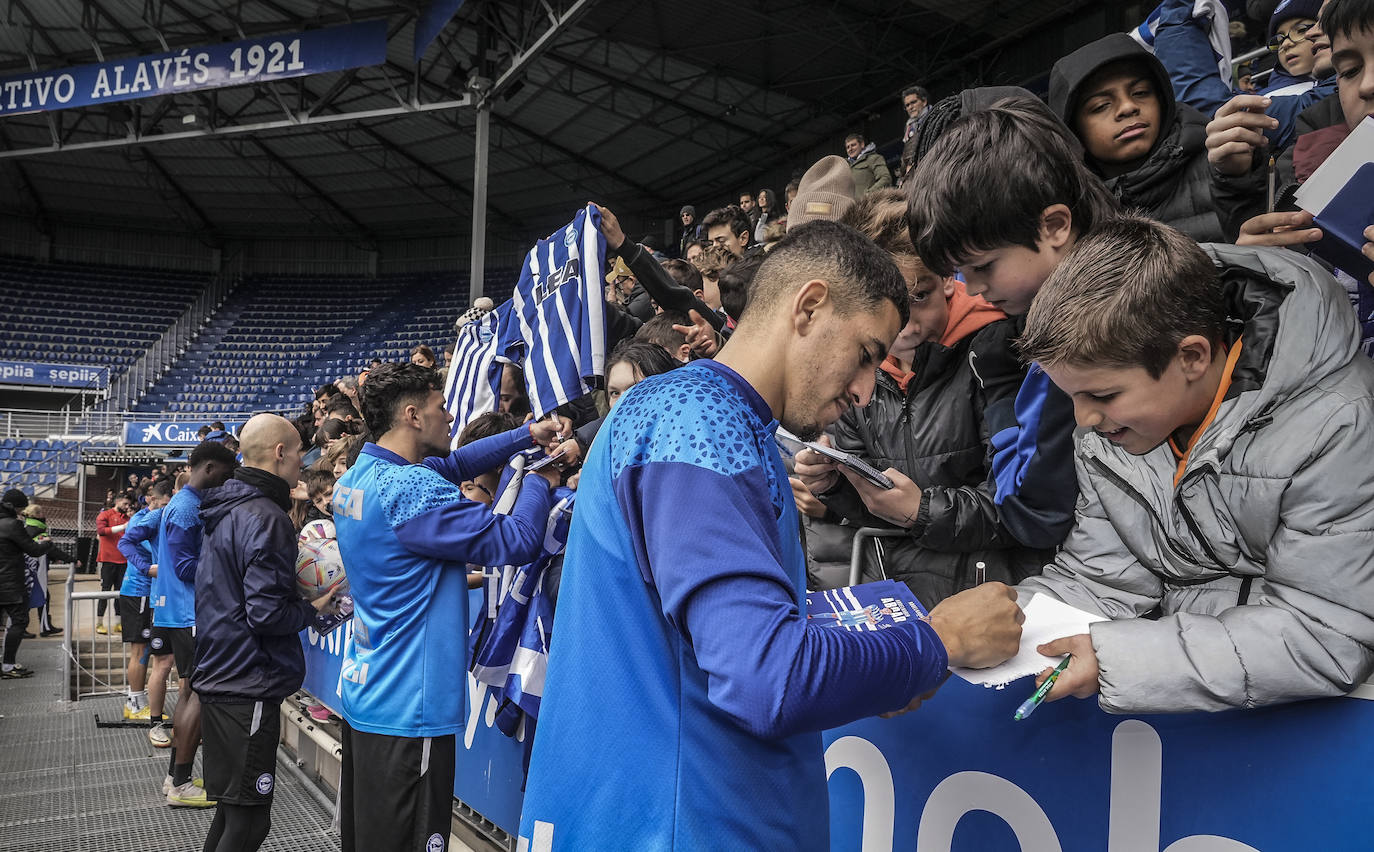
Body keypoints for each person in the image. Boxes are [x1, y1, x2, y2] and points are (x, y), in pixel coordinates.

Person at [517, 221, 1024, 849]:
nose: (867, 390)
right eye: (866, 354)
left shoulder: (717, 419)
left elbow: (718, 630)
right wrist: (938, 642)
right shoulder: (698, 421)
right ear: (808, 307)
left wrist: (879, 656)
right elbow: (767, 679)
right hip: (682, 824)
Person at [1014, 214, 1374, 714]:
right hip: (1197, 710)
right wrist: (1002, 623)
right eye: (1070, 396)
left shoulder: (1338, 425)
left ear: (1192, 357)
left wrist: (1119, 658)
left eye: (1102, 394)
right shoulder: (1114, 434)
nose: (1084, 419)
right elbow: (1104, 578)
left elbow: (1326, 634)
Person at [333, 362, 567, 852]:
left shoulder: (362, 475)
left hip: (369, 696)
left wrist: (527, 434)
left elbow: (457, 465)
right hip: (410, 711)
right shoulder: (411, 492)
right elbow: (519, 538)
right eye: (443, 407)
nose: (452, 414)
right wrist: (544, 476)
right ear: (414, 416)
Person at [794, 189, 1051, 606]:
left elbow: (1028, 507)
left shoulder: (998, 353)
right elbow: (874, 507)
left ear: (949, 278)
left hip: (999, 595)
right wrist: (835, 485)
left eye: (920, 296)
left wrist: (921, 510)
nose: (908, 323)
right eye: (888, 305)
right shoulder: (859, 375)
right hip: (904, 602)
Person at [907, 96, 1120, 551]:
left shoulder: (1075, 341)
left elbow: (1031, 511)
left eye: (983, 266)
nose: (974, 287)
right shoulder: (1022, 328)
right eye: (961, 272)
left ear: (1055, 226)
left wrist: (1003, 392)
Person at [194, 414, 339, 852]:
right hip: (247, 683)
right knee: (248, 825)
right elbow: (265, 614)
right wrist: (312, 608)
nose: (302, 462)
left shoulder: (229, 509)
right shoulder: (266, 517)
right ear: (280, 453)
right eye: (298, 453)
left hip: (223, 677)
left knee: (231, 815)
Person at [1048, 33, 1226, 242]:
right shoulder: (1069, 219)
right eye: (1101, 105)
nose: (1128, 107)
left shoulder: (1224, 163)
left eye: (1140, 92)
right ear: (1073, 130)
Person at [147, 440, 237, 809]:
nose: (228, 482)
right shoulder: (186, 508)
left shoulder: (186, 504)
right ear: (211, 469)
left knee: (189, 694)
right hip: (188, 616)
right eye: (227, 475)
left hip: (184, 615)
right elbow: (185, 566)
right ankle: (180, 784)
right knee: (194, 696)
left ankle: (175, 778)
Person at [1, 489, 75, 678]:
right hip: (10, 583)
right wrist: (48, 544)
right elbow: (33, 550)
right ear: (16, 506)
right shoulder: (13, 525)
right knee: (20, 621)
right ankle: (8, 665)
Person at [116, 479, 173, 720]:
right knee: (139, 648)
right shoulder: (143, 521)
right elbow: (125, 544)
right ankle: (135, 703)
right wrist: (147, 568)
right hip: (138, 592)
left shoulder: (151, 517)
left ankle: (137, 701)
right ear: (155, 500)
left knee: (147, 649)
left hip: (147, 593)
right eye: (167, 504)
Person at [94, 494, 131, 634]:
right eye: (125, 504)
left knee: (120, 593)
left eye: (128, 505)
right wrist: (123, 527)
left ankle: (118, 623)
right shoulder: (105, 514)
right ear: (118, 501)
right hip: (108, 560)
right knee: (105, 591)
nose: (127, 507)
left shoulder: (127, 519)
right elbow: (101, 531)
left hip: (123, 561)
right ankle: (99, 623)